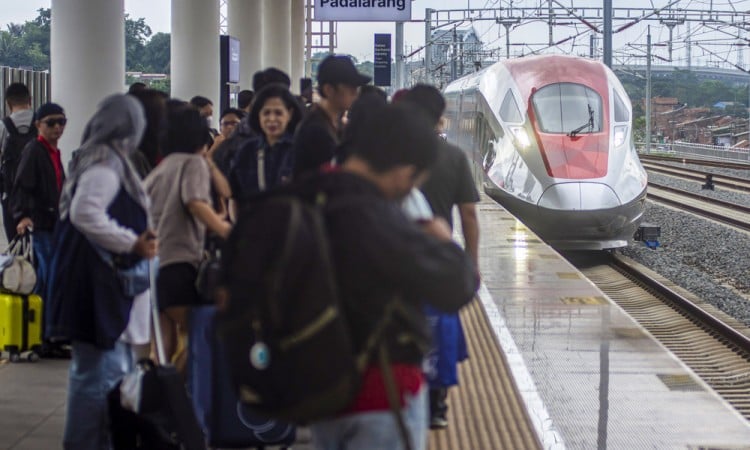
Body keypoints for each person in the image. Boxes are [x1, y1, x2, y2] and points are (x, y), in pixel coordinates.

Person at [299, 103, 478, 450]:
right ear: (403, 168)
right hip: (381, 396)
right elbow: (457, 288)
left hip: (318, 391)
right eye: (415, 179)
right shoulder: (380, 220)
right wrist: (443, 241)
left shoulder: (304, 197)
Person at [46, 94, 157, 450]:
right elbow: (86, 212)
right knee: (97, 376)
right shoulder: (105, 163)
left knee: (102, 373)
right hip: (98, 289)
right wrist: (132, 243)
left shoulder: (95, 158)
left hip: (99, 286)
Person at [399, 84, 481, 429]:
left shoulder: (390, 154)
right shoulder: (454, 157)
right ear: (440, 118)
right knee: (440, 329)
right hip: (438, 258)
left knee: (400, 325)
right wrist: (471, 264)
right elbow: (469, 217)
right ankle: (438, 403)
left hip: (396, 255)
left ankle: (402, 391)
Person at [144, 102, 231, 372]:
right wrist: (228, 231)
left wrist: (208, 161)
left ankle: (160, 404)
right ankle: (180, 401)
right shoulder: (192, 164)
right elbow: (197, 202)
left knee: (163, 350)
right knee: (199, 340)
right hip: (180, 265)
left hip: (154, 266)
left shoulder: (162, 168)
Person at [11, 102, 67, 296]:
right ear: (38, 125)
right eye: (51, 123)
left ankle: (39, 319)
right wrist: (22, 215)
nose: (58, 127)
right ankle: (46, 320)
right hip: (40, 223)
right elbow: (22, 184)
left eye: (61, 122)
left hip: (54, 223)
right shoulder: (34, 151)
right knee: (52, 273)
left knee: (45, 277)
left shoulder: (54, 152)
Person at [292, 54, 370, 178]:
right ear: (329, 90)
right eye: (350, 87)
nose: (355, 93)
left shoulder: (333, 123)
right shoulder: (314, 130)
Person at [228, 83, 303, 203]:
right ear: (258, 115)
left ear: (290, 114)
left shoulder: (300, 149)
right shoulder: (247, 150)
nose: (272, 119)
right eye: (266, 113)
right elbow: (235, 196)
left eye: (278, 113)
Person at [0, 82, 36, 241]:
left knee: (15, 247)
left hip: (11, 196)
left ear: (8, 104)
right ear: (30, 100)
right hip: (39, 197)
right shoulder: (42, 124)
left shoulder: (2, 127)